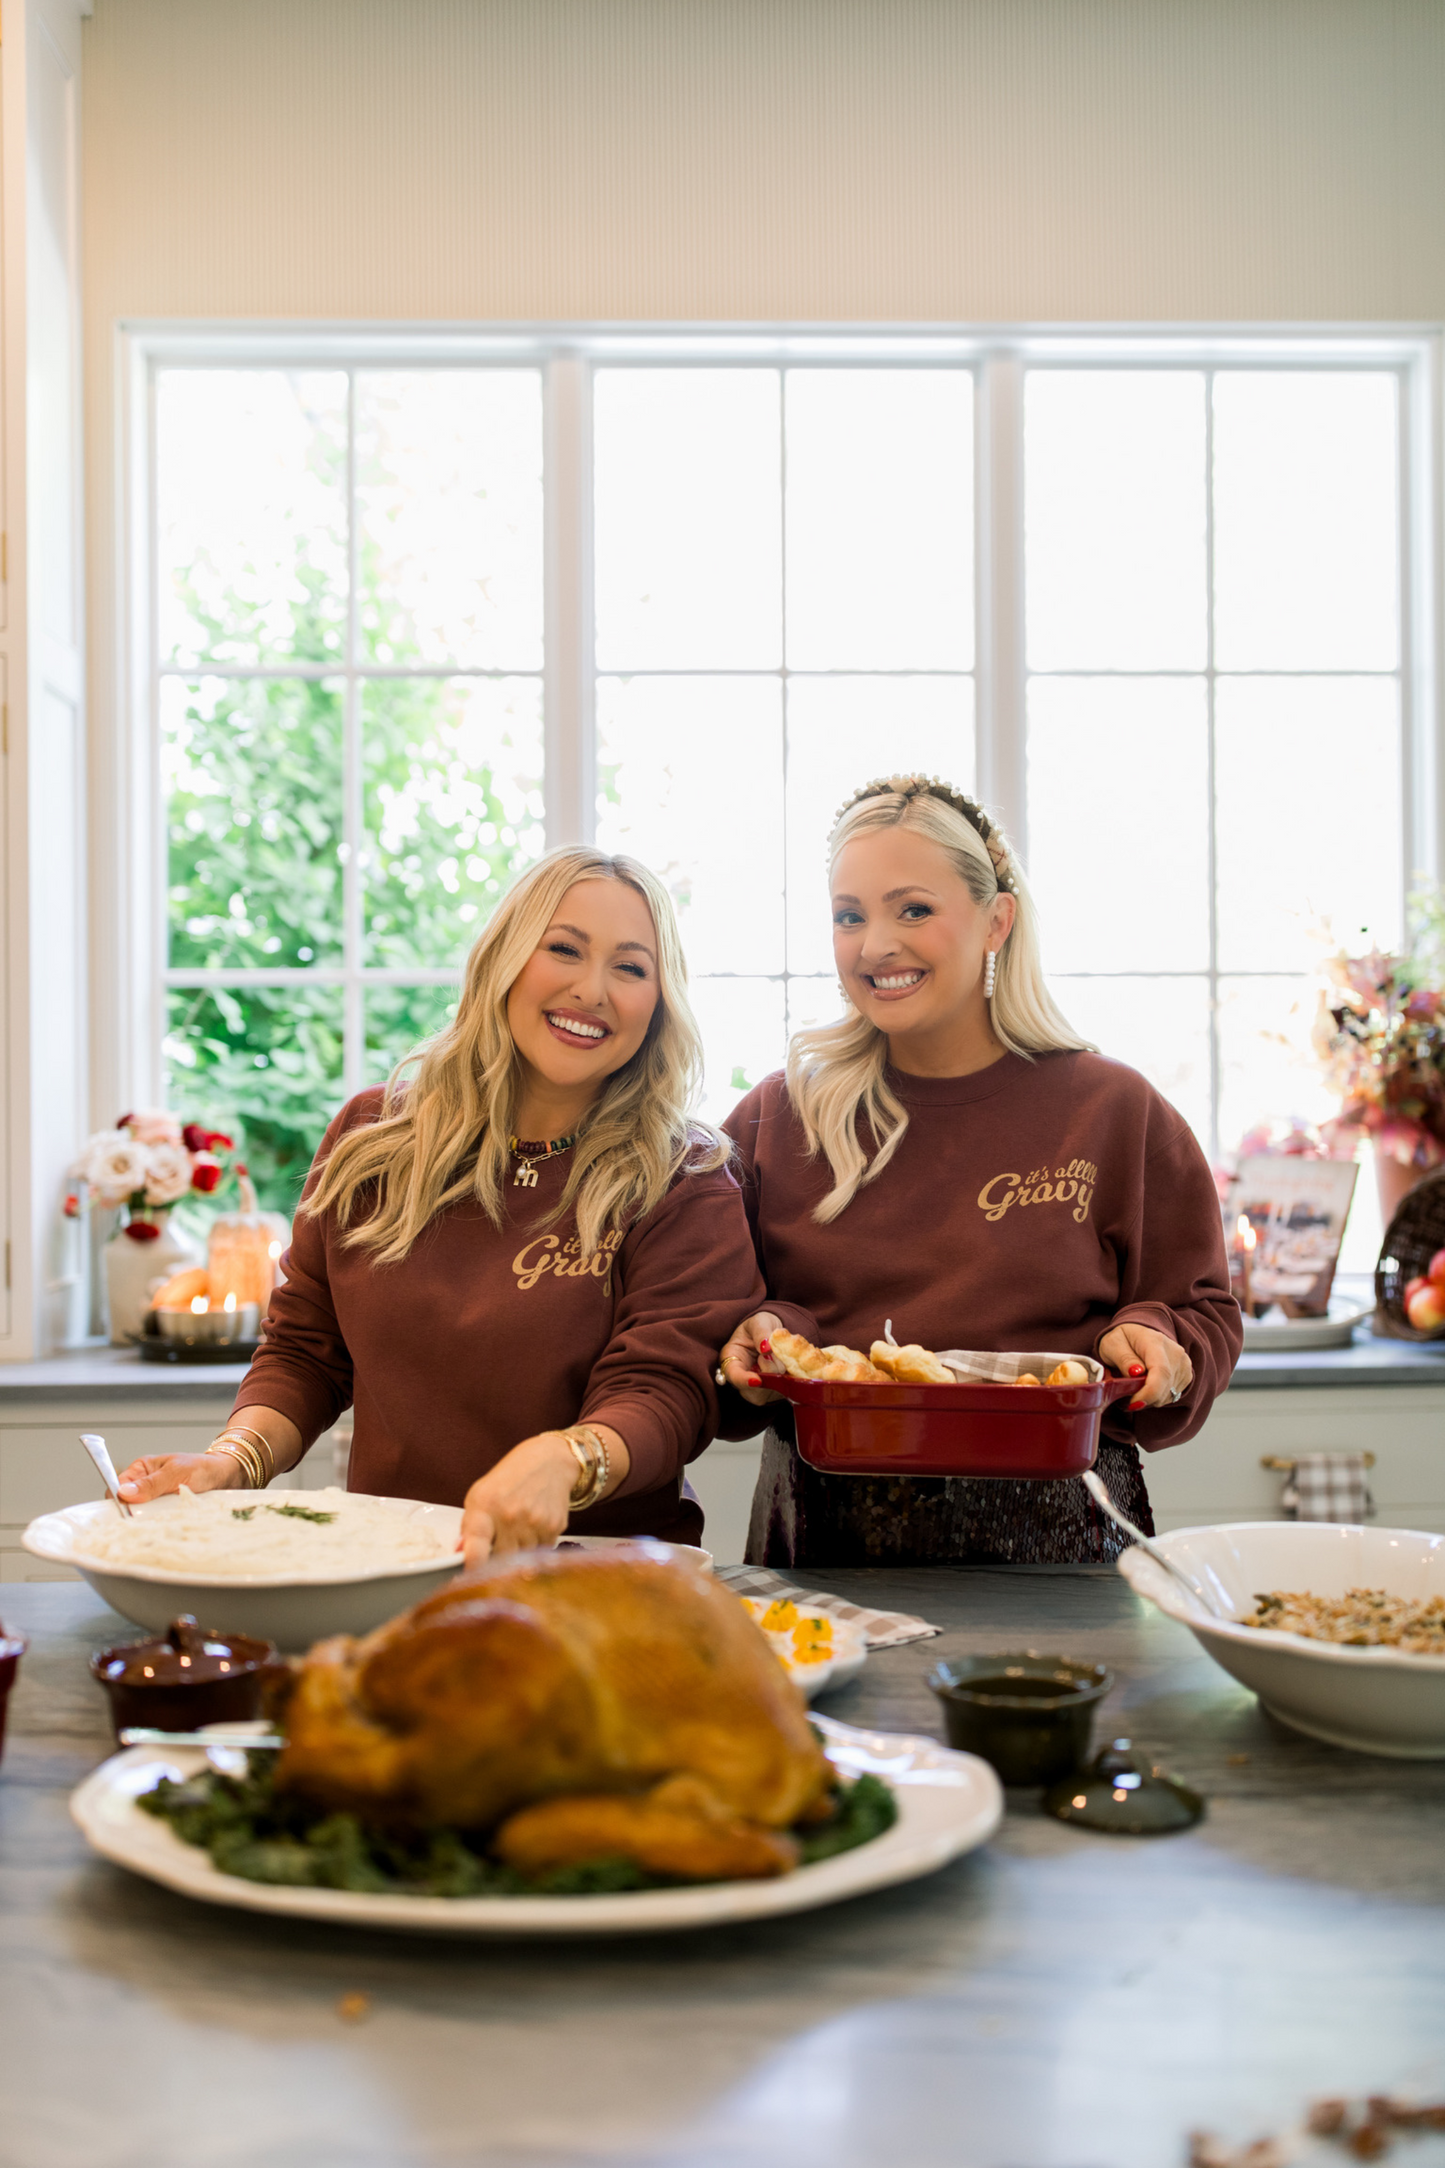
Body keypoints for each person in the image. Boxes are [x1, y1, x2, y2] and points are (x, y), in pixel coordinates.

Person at [118, 846, 765, 1565]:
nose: (591, 989)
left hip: (595, 1582)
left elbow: (664, 1389)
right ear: (505, 959)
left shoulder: (685, 1175)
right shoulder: (374, 1137)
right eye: (564, 949)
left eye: (630, 967)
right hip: (383, 1573)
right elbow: (306, 1350)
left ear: (659, 1002)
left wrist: (566, 1460)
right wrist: (231, 1462)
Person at [717, 775, 1242, 1567]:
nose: (874, 945)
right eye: (848, 916)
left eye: (913, 909)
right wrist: (747, 1342)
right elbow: (695, 1319)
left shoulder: (1113, 1111)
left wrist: (1158, 1342)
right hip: (823, 1541)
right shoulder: (775, 1118)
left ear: (996, 920)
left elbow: (1203, 1312)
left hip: (1063, 1547)